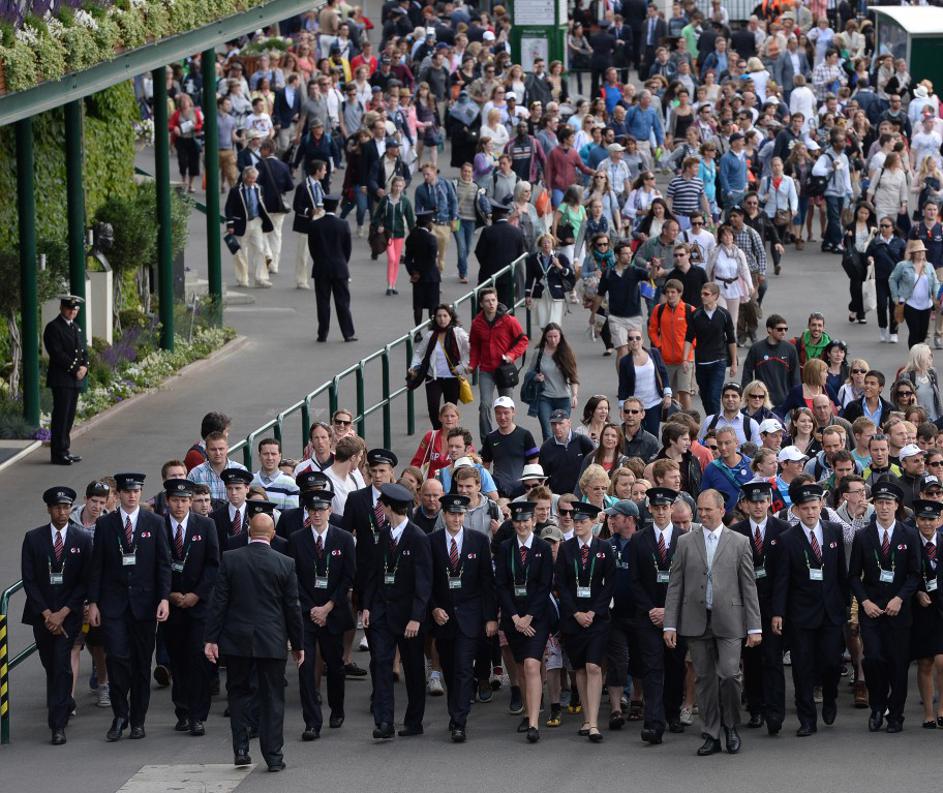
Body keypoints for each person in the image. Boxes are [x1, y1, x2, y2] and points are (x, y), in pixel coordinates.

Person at [663, 489, 763, 756]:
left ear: (722, 510)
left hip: (730, 620)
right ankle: (711, 733)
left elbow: (748, 586)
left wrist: (755, 626)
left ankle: (731, 726)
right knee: (705, 679)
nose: (703, 514)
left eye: (709, 509)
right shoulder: (685, 542)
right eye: (701, 509)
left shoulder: (740, 542)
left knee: (729, 675)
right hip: (695, 620)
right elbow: (675, 586)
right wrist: (670, 624)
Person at [204, 511, 303, 770]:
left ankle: (240, 748)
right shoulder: (285, 563)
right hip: (272, 640)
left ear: (249, 532)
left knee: (237, 693)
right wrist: (299, 644)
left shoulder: (230, 559)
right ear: (272, 534)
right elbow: (292, 608)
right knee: (272, 698)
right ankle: (274, 757)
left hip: (236, 640)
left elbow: (219, 602)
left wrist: (210, 639)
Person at [87, 473, 171, 742]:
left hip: (145, 604)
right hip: (113, 604)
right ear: (118, 495)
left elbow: (163, 564)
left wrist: (164, 598)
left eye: (136, 491)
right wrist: (93, 602)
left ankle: (138, 720)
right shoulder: (106, 524)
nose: (132, 495)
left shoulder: (155, 523)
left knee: (141, 663)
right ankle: (120, 714)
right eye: (127, 491)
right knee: (117, 659)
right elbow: (96, 566)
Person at [21, 486, 92, 745]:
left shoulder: (82, 539)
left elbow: (85, 581)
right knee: (50, 664)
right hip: (42, 614)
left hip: (68, 615)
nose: (62, 512)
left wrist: (62, 613)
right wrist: (47, 613)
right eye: (57, 507)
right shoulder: (33, 538)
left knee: (62, 665)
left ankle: (57, 723)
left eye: (65, 507)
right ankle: (65, 700)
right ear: (49, 509)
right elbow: (29, 580)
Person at [848, 480, 921, 733]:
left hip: (899, 611)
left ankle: (896, 715)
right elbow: (854, 576)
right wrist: (865, 602)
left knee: (898, 665)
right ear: (873, 505)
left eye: (888, 503)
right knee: (874, 659)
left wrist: (900, 598)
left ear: (897, 505)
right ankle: (878, 706)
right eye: (879, 502)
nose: (884, 507)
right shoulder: (862, 536)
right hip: (873, 611)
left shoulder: (909, 535)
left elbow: (915, 574)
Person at [361, 483, 432, 740]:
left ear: (390, 508)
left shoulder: (418, 537)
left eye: (383, 506)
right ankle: (384, 722)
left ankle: (414, 721)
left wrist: (416, 617)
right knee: (380, 665)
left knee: (413, 669)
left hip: (408, 616)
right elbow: (372, 575)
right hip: (382, 612)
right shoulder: (382, 535)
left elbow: (424, 583)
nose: (381, 510)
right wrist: (366, 606)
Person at [429, 493, 498, 742]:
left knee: (463, 669)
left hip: (470, 616)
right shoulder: (432, 542)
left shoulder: (479, 541)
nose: (456, 518)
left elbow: (487, 583)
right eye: (451, 514)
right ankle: (454, 712)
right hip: (444, 617)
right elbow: (427, 582)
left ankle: (460, 721)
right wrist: (434, 608)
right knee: (449, 668)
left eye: (460, 514)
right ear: (444, 515)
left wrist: (490, 618)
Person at [288, 488, 355, 740]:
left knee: (335, 665)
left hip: (333, 611)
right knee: (306, 667)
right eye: (312, 510)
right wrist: (312, 608)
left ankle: (337, 709)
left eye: (321, 510)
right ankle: (312, 722)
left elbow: (349, 576)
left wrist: (328, 607)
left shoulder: (344, 538)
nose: (316, 514)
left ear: (330, 511)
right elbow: (293, 578)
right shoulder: (296, 539)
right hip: (306, 613)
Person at [159, 478, 219, 737]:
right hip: (171, 605)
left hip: (198, 605)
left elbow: (213, 564)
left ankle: (198, 715)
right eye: (175, 500)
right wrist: (169, 595)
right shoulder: (158, 525)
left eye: (184, 500)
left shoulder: (205, 525)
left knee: (198, 659)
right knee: (178, 660)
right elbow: (154, 564)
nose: (180, 505)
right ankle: (182, 711)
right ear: (168, 501)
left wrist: (197, 594)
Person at [628, 486, 686, 744]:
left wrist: (669, 611)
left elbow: (688, 579)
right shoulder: (638, 539)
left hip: (677, 615)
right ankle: (654, 722)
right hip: (648, 615)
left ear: (672, 509)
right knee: (652, 667)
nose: (661, 512)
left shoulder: (684, 539)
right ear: (649, 508)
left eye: (666, 507)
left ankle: (672, 712)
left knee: (674, 666)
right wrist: (651, 608)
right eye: (657, 507)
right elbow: (633, 580)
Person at [555, 500, 616, 744]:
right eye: (575, 520)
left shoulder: (604, 548)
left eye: (582, 521)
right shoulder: (565, 548)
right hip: (573, 618)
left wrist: (593, 612)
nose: (577, 524)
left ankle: (594, 723)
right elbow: (561, 584)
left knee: (593, 666)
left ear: (593, 522)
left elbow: (609, 583)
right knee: (579, 668)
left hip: (597, 618)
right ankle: (587, 719)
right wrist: (575, 613)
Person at [730, 481, 789, 734]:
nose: (758, 506)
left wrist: (779, 611)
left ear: (769, 503)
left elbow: (785, 575)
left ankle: (775, 713)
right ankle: (755, 708)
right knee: (751, 660)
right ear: (745, 505)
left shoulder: (783, 530)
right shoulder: (736, 531)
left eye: (762, 501)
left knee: (773, 660)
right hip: (745, 605)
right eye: (753, 502)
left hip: (772, 604)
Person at [494, 501, 554, 743]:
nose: (521, 524)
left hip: (536, 617)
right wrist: (515, 617)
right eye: (517, 520)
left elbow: (544, 585)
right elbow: (501, 585)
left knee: (531, 664)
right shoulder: (506, 547)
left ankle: (533, 722)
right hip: (514, 617)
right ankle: (529, 710)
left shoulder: (542, 547)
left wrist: (529, 616)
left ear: (533, 521)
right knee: (520, 666)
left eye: (526, 520)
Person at [468, 288, 529, 442]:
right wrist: (472, 365)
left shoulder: (508, 320)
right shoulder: (477, 323)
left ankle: (509, 438)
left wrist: (511, 355)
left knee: (506, 406)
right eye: (487, 301)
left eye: (493, 300)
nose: (491, 303)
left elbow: (523, 340)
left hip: (504, 370)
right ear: (481, 304)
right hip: (486, 370)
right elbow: (475, 346)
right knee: (485, 405)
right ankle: (487, 440)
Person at [908, 499, 943, 729]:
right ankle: (929, 714)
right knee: (925, 663)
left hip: (942, 610)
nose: (927, 524)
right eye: (923, 519)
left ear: (939, 520)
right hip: (921, 612)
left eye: (931, 519)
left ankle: (942, 709)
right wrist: (917, 593)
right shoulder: (909, 543)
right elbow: (903, 575)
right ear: (917, 520)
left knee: (942, 661)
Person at [43, 295, 89, 466]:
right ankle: (57, 453)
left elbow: (83, 351)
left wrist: (85, 367)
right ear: (62, 308)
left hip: (74, 380)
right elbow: (57, 353)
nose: (72, 312)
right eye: (69, 308)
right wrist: (75, 369)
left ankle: (65, 450)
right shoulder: (53, 327)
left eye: (75, 309)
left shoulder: (75, 328)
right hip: (62, 379)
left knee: (69, 417)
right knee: (61, 417)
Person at [408, 308, 470, 430]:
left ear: (450, 317)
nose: (442, 319)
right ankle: (437, 434)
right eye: (439, 316)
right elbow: (419, 353)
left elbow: (472, 350)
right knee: (433, 409)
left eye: (445, 315)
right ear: (435, 318)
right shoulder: (430, 335)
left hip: (452, 379)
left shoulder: (458, 333)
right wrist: (414, 366)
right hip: (433, 378)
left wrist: (462, 367)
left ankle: (450, 435)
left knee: (451, 412)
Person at [682, 283, 737, 417]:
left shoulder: (724, 315)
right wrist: (684, 359)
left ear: (715, 296)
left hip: (719, 361)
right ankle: (712, 420)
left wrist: (734, 362)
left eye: (706, 294)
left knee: (714, 395)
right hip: (701, 362)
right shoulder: (696, 314)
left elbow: (731, 339)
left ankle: (716, 426)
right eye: (702, 293)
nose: (702, 296)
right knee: (706, 396)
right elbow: (689, 338)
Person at [308, 194, 357, 343]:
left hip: (321, 267)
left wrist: (319, 261)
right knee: (342, 302)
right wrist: (343, 261)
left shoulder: (315, 225)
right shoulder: (343, 224)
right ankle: (348, 333)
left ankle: (322, 333)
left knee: (323, 302)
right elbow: (347, 248)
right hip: (339, 267)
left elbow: (312, 249)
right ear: (336, 207)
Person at [527, 324, 580, 442]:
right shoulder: (539, 353)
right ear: (545, 337)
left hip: (564, 398)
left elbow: (573, 378)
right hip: (545, 397)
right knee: (548, 432)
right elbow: (529, 372)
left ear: (560, 336)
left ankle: (562, 457)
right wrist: (536, 377)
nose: (553, 340)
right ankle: (548, 459)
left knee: (562, 432)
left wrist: (575, 395)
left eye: (556, 336)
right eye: (550, 337)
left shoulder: (567, 353)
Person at [225, 166, 274, 288]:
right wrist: (230, 224)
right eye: (251, 178)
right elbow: (229, 207)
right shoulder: (236, 190)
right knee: (240, 252)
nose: (253, 181)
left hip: (256, 222)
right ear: (245, 177)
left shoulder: (258, 188)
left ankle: (260, 278)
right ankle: (242, 279)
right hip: (241, 223)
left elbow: (261, 205)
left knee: (260, 249)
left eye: (255, 178)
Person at [617, 328, 672, 437]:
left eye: (638, 338)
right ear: (627, 342)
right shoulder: (625, 362)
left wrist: (667, 394)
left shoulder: (653, 353)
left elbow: (663, 373)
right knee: (635, 435)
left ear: (642, 340)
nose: (634, 341)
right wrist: (622, 407)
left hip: (654, 403)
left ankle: (653, 454)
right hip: (635, 406)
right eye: (631, 338)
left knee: (652, 435)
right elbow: (622, 386)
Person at [890, 239, 940, 349]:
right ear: (912, 253)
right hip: (909, 304)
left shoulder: (929, 266)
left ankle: (919, 359)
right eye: (918, 251)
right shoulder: (903, 265)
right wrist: (895, 297)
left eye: (923, 251)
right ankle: (913, 359)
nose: (921, 253)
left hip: (926, 305)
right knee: (914, 332)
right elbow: (892, 279)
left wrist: (936, 296)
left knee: (922, 334)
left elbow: (935, 282)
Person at [475, 201, 527, 309]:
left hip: (487, 276)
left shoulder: (487, 231)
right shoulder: (517, 232)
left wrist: (486, 265)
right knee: (505, 310)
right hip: (507, 276)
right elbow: (520, 255)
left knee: (484, 308)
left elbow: (479, 252)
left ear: (494, 216)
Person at [741, 314, 800, 407]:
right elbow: (747, 374)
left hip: (784, 403)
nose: (783, 332)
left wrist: (796, 401)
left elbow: (795, 377)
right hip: (761, 402)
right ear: (769, 329)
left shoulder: (790, 349)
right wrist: (747, 396)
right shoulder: (756, 349)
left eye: (785, 329)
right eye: (780, 329)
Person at [373, 174, 416, 296]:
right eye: (396, 185)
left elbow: (410, 219)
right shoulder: (385, 200)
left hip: (399, 233)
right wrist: (379, 225)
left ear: (403, 187)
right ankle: (388, 285)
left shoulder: (405, 201)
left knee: (396, 260)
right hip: (387, 234)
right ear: (392, 186)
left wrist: (414, 234)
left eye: (400, 186)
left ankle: (393, 285)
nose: (398, 188)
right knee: (391, 259)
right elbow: (376, 216)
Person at [524, 234, 574, 331]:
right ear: (540, 244)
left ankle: (554, 342)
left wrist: (559, 266)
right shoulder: (533, 259)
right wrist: (527, 295)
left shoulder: (561, 257)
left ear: (552, 244)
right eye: (544, 242)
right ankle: (547, 340)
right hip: (540, 293)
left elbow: (570, 274)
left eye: (548, 242)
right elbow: (529, 278)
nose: (546, 244)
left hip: (556, 292)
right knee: (543, 322)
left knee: (554, 323)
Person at [403, 209, 441, 327]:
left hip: (417, 278)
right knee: (433, 306)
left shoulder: (411, 237)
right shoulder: (431, 238)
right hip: (431, 277)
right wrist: (421, 272)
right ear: (428, 223)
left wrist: (413, 272)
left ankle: (417, 331)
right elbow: (431, 259)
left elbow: (408, 258)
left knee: (418, 306)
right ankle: (431, 330)